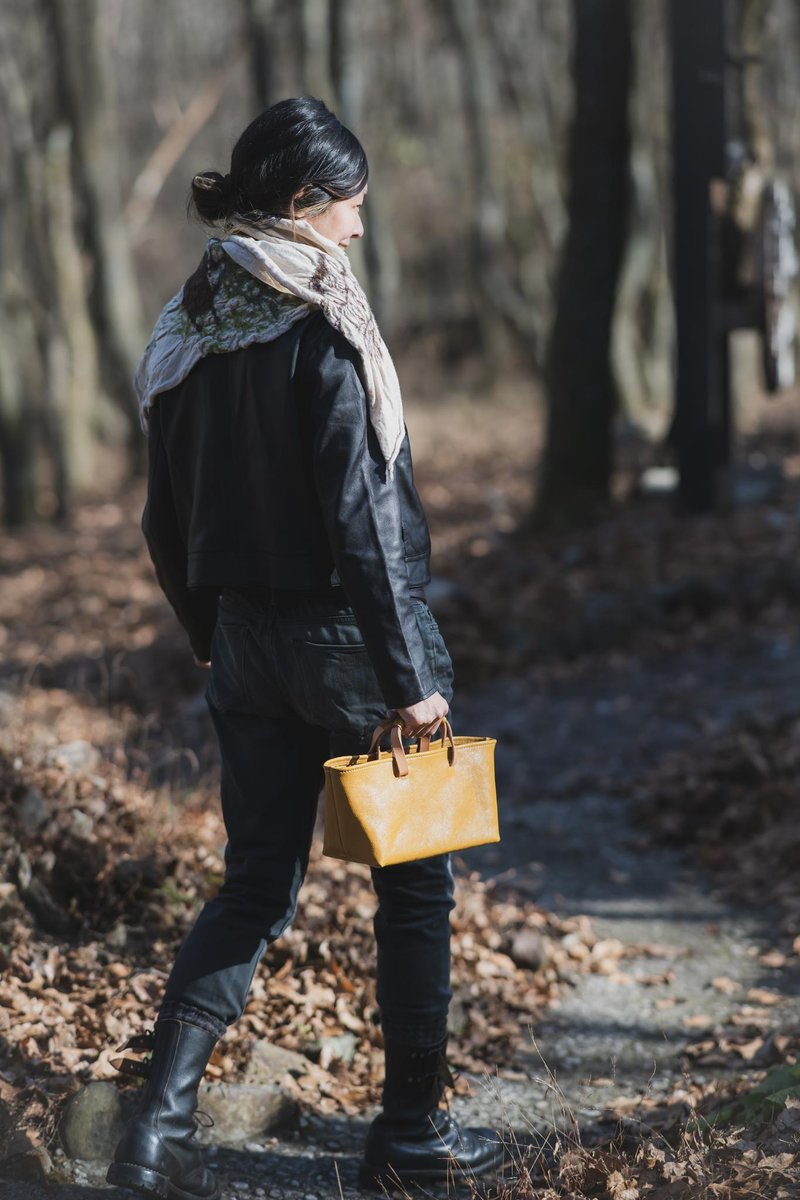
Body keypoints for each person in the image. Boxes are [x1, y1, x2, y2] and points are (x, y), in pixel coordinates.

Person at [106, 97, 504, 1197]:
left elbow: (157, 516)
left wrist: (204, 636)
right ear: (299, 206)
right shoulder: (325, 325)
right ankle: (410, 1138)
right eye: (350, 208)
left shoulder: (186, 326)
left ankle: (152, 1134)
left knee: (253, 887)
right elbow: (363, 523)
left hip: (239, 641)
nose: (360, 232)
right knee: (415, 885)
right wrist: (409, 682)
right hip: (348, 639)